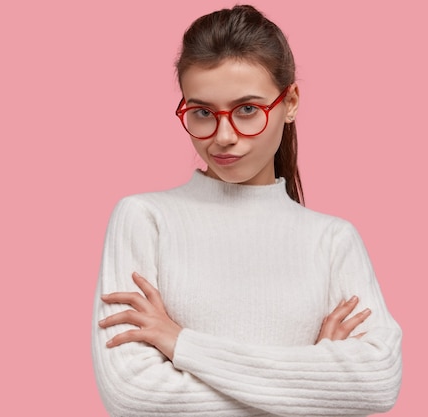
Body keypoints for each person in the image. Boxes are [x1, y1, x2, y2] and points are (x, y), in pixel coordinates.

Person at [91, 4, 402, 417]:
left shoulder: (331, 240)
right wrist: (314, 382)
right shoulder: (146, 219)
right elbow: (136, 396)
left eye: (248, 110)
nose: (223, 137)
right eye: (202, 112)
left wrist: (183, 345)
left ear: (289, 102)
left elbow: (378, 383)